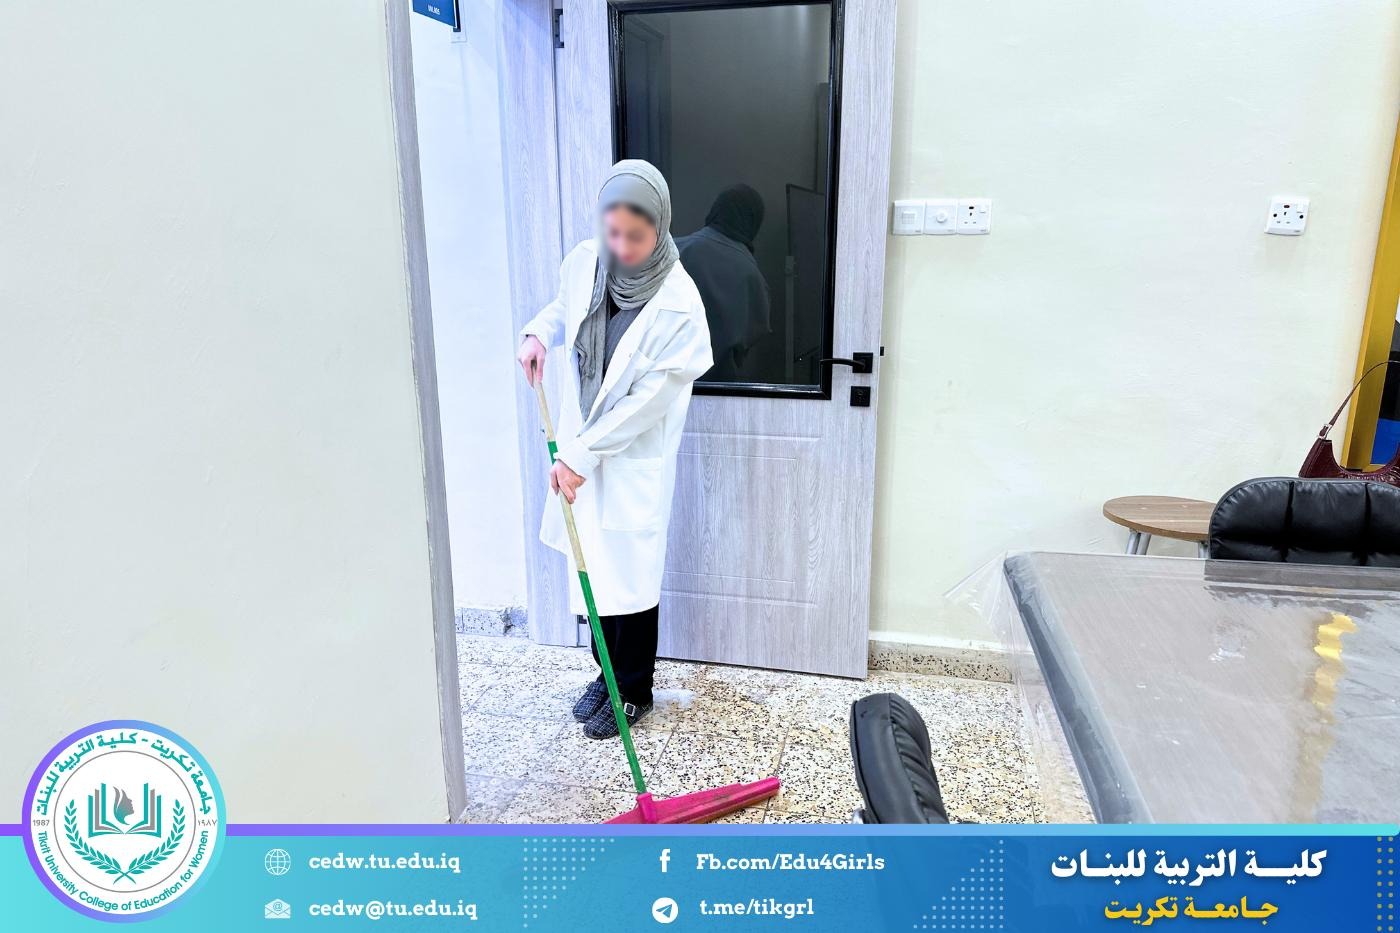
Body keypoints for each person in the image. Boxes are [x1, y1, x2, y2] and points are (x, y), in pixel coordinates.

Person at [516, 160, 713, 740]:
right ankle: (605, 673)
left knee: (629, 579)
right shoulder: (586, 260)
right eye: (613, 233)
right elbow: (566, 307)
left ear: (660, 227)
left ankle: (633, 689)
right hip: (581, 444)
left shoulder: (679, 304)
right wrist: (538, 333)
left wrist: (582, 454)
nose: (621, 248)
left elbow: (646, 403)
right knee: (592, 568)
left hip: (628, 456)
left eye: (636, 237)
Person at [676, 184, 771, 381]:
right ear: (753, 221)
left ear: (715, 211)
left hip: (665, 384)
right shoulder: (751, 275)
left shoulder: (673, 251)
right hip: (721, 387)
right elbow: (754, 335)